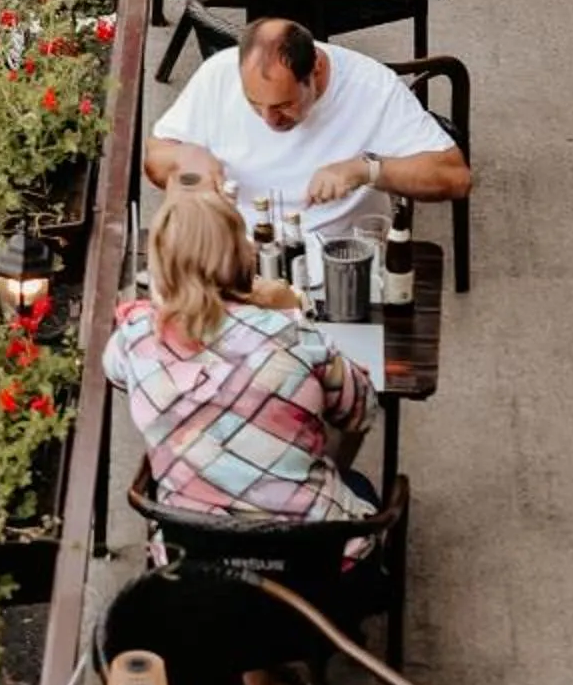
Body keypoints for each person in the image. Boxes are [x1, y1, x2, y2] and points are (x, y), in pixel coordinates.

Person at [103, 186, 375, 524]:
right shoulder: (290, 334)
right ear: (241, 253)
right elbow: (361, 411)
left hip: (190, 547)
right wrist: (293, 312)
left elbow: (115, 370)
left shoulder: (135, 338)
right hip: (310, 551)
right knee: (359, 487)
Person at [145, 15, 471, 239]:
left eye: (284, 105)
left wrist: (366, 170)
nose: (268, 120)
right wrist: (187, 159)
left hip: (338, 255)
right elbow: (154, 158)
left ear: (315, 68)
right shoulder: (218, 73)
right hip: (234, 250)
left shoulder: (373, 88)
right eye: (254, 104)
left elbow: (455, 178)